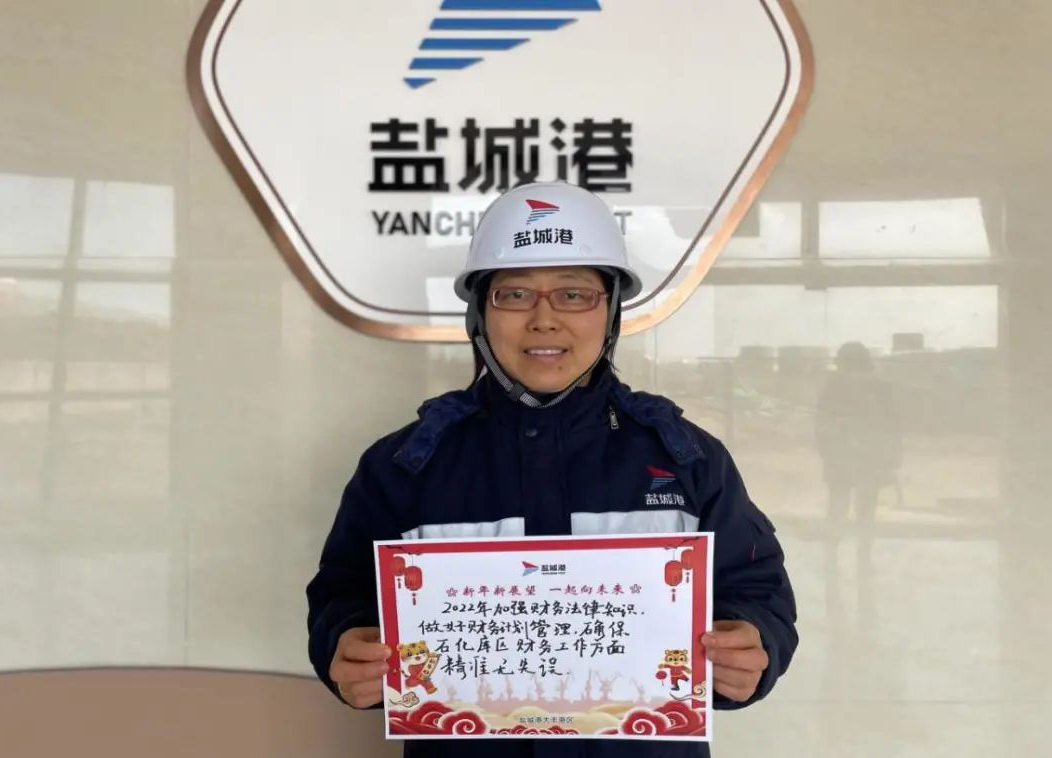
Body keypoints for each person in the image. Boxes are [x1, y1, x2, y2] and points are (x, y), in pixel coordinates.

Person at [306, 182, 797, 757]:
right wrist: (345, 645)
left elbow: (756, 591)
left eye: (573, 294)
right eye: (514, 294)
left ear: (611, 311)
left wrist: (752, 643)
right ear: (479, 313)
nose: (544, 320)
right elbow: (342, 595)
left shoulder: (686, 460)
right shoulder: (405, 465)